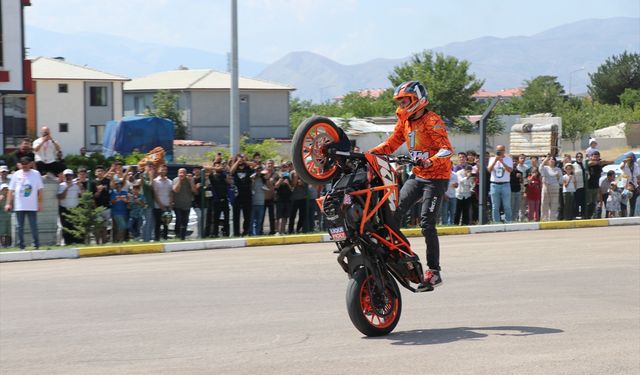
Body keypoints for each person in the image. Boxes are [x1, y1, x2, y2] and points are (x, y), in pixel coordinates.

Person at [368, 80, 453, 291]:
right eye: (400, 101)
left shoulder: (432, 120)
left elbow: (446, 149)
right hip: (417, 176)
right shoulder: (404, 122)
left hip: (436, 178)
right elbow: (391, 144)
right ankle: (402, 255)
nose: (402, 105)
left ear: (417, 99)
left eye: (405, 100)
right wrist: (369, 154)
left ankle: (434, 272)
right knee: (392, 214)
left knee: (426, 223)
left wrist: (429, 161)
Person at [4, 157, 44, 249]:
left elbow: (40, 190)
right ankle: (21, 245)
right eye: (22, 164)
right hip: (19, 205)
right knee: (19, 227)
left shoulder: (36, 174)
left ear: (31, 164)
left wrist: (40, 203)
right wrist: (8, 203)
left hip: (32, 205)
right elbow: (11, 190)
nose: (24, 166)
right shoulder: (16, 174)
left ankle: (36, 244)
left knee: (33, 226)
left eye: (26, 163)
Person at [487, 145, 513, 223]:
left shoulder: (508, 159)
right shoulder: (492, 159)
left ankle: (508, 221)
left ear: (504, 151)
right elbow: (489, 170)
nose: (500, 152)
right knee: (495, 206)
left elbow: (510, 170)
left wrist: (502, 162)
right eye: (498, 150)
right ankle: (496, 222)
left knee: (507, 205)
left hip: (505, 184)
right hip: (494, 185)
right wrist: (495, 161)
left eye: (501, 150)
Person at [57, 169, 82, 245]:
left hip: (74, 209)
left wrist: (80, 186)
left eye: (69, 175)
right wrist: (67, 187)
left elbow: (82, 195)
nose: (68, 177)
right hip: (64, 209)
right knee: (65, 227)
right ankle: (67, 242)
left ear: (72, 176)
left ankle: (76, 242)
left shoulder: (77, 185)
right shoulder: (61, 185)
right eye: (66, 176)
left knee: (75, 226)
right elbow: (61, 197)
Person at [230, 154, 253, 236]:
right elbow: (231, 171)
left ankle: (245, 231)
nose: (241, 160)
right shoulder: (235, 169)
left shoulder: (248, 169)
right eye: (239, 158)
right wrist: (237, 161)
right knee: (236, 215)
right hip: (237, 195)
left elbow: (255, 165)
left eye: (242, 158)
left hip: (247, 194)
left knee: (247, 215)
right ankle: (236, 233)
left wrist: (245, 161)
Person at [172, 168, 195, 240]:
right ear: (178, 173)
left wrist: (191, 181)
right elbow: (175, 190)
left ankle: (183, 237)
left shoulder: (189, 180)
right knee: (178, 219)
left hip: (187, 205)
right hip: (177, 204)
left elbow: (195, 191)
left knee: (185, 221)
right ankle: (177, 234)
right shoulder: (175, 180)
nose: (181, 174)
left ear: (186, 173)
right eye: (180, 173)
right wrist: (180, 180)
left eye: (183, 173)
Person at [91, 165, 112, 244]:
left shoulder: (107, 181)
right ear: (95, 173)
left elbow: (112, 189)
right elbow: (93, 197)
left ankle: (104, 243)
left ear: (104, 172)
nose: (100, 172)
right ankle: (97, 243)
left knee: (105, 227)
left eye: (101, 171)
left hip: (107, 207)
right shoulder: (93, 182)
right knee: (97, 227)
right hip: (97, 208)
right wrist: (99, 191)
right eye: (98, 171)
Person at [153, 165, 173, 241]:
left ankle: (165, 238)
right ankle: (157, 239)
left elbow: (171, 194)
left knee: (166, 224)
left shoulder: (170, 182)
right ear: (158, 170)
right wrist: (161, 205)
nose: (163, 171)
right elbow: (155, 194)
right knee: (157, 224)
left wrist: (170, 204)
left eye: (165, 169)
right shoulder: (155, 181)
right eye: (162, 169)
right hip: (158, 206)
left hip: (167, 206)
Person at [539, 154, 561, 221]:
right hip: (546, 186)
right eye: (550, 159)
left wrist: (558, 176)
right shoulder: (545, 168)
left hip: (555, 187)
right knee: (544, 203)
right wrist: (546, 159)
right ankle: (544, 218)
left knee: (554, 203)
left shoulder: (558, 169)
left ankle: (553, 218)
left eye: (553, 159)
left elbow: (561, 180)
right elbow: (540, 169)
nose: (552, 160)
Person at [619, 151, 640, 216]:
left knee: (632, 204)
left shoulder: (635, 165)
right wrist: (625, 161)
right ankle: (624, 216)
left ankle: (631, 216)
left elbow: (638, 176)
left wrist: (638, 185)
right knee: (623, 203)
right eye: (630, 160)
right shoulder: (624, 164)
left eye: (631, 160)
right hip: (625, 187)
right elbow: (621, 167)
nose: (631, 162)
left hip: (634, 186)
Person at [274, 161, 293, 235]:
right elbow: (275, 186)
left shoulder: (289, 175)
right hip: (279, 198)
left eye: (286, 166)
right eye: (283, 166)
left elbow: (292, 188)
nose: (284, 167)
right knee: (278, 217)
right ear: (280, 167)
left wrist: (288, 184)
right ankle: (277, 231)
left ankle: (283, 231)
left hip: (288, 198)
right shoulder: (277, 175)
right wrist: (281, 179)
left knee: (285, 217)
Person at [140, 162, 156, 242]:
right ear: (145, 167)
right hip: (146, 202)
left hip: (151, 202)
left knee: (151, 221)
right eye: (149, 166)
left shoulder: (150, 176)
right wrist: (151, 177)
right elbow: (150, 186)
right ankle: (145, 239)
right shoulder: (143, 176)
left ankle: (149, 238)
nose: (151, 168)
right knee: (147, 221)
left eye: (152, 167)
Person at [572, 153, 587, 219]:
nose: (579, 158)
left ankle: (583, 214)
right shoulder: (574, 166)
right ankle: (576, 214)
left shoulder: (584, 165)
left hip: (583, 186)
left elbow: (586, 175)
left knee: (583, 201)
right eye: (578, 157)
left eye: (581, 157)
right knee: (576, 202)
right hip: (576, 186)